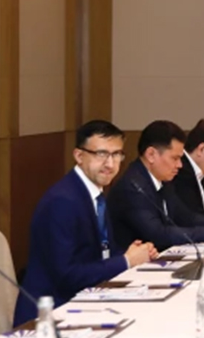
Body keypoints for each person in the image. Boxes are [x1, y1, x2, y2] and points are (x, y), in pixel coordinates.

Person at [14, 121, 158, 325]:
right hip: (50, 316)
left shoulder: (94, 194)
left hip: (86, 303)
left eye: (116, 154)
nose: (110, 164)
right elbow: (67, 276)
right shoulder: (63, 201)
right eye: (101, 154)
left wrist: (131, 253)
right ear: (79, 156)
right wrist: (126, 261)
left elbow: (99, 254)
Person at [110, 120, 204, 252]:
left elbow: (187, 218)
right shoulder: (132, 188)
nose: (180, 165)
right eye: (175, 158)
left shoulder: (163, 180)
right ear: (151, 155)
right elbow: (159, 235)